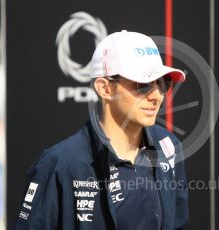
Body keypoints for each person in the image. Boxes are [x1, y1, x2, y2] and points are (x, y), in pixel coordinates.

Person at [14, 30, 189, 230]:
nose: (157, 95)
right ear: (105, 88)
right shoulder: (59, 164)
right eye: (143, 84)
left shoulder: (168, 146)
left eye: (162, 83)